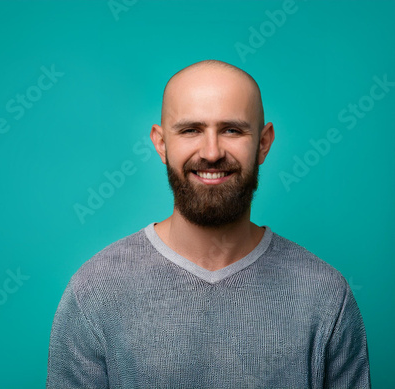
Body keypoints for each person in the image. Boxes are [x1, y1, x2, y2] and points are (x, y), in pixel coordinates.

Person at [46, 60, 371, 388]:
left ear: (263, 142)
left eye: (232, 130)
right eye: (191, 130)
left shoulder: (325, 295)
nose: (212, 152)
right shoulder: (95, 292)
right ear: (161, 143)